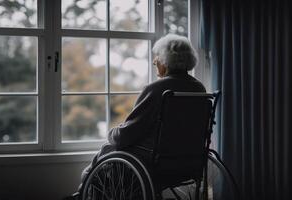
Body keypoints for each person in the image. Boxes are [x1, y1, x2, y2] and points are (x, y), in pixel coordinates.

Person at [66, 34, 206, 199]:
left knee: (107, 152)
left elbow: (128, 134)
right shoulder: (200, 89)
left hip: (156, 163)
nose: (155, 62)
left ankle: (83, 194)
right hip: (190, 162)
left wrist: (112, 133)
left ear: (167, 61)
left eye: (158, 57)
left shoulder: (157, 89)